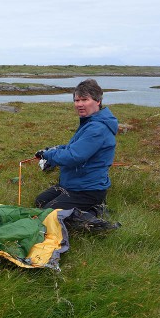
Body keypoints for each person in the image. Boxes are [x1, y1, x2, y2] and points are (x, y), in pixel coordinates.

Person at [34, 79, 118, 216]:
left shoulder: (97, 128)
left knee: (49, 214)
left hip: (88, 189)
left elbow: (74, 156)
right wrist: (54, 149)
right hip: (73, 184)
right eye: (76, 100)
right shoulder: (90, 122)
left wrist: (48, 155)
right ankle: (88, 209)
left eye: (84, 100)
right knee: (40, 202)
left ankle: (95, 211)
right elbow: (76, 147)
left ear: (98, 101)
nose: (79, 104)